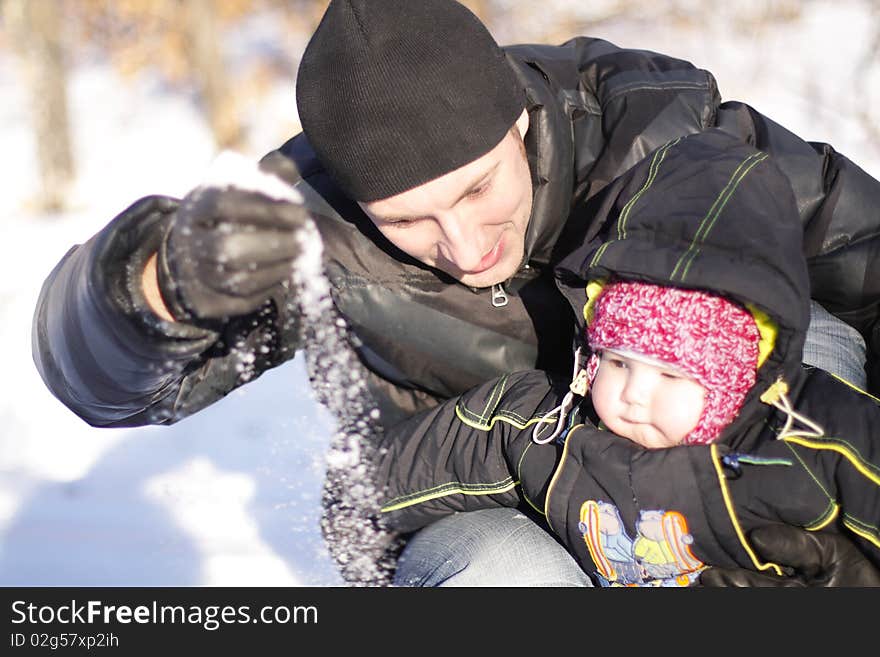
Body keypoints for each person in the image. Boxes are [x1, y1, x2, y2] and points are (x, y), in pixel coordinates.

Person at [31, 0, 879, 586]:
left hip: (714, 490)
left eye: (478, 190)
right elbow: (96, 382)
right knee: (511, 577)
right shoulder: (306, 223)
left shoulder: (660, 135)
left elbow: (862, 249)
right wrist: (158, 284)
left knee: (824, 338)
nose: (466, 249)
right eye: (408, 220)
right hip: (474, 499)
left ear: (518, 118)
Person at [376, 129, 880, 586]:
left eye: (668, 373)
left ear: (734, 381)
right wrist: (354, 503)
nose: (634, 394)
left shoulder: (813, 441)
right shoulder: (550, 426)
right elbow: (435, 457)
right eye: (617, 363)